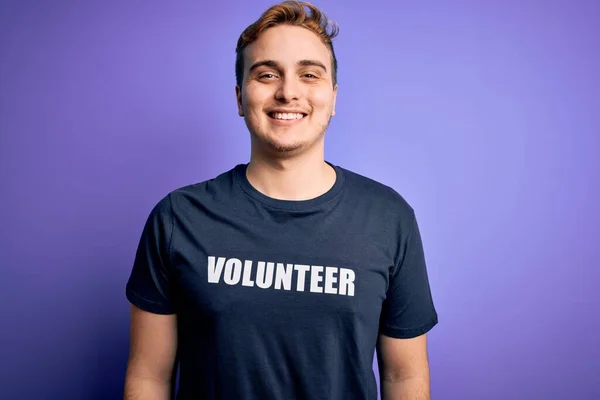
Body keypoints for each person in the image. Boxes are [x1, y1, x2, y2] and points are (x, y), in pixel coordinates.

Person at [123, 1, 438, 399]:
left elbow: (404, 377)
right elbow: (149, 377)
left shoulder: (388, 217)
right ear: (240, 98)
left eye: (309, 74)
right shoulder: (177, 218)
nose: (288, 92)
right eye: (267, 74)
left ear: (333, 97)